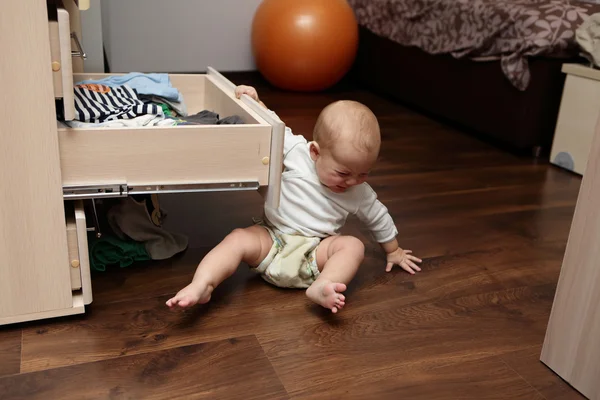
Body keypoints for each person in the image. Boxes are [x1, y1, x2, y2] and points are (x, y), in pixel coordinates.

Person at [166, 85, 422, 313]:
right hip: (271, 240)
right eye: (343, 173)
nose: (352, 181)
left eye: (363, 174)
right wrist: (256, 102)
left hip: (314, 253)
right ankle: (203, 284)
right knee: (238, 238)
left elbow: (378, 217)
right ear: (315, 152)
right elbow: (274, 128)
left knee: (353, 246)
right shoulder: (297, 152)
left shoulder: (359, 192)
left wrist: (394, 250)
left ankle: (324, 285)